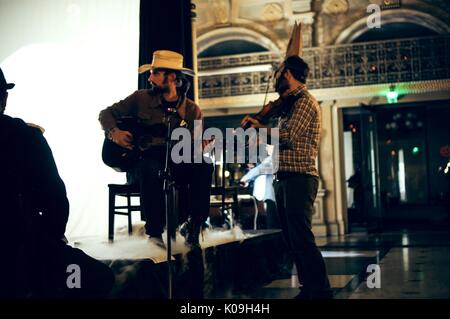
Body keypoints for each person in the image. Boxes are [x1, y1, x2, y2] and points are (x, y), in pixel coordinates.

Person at [0, 67, 115, 298]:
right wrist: (50, 238)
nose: (154, 78)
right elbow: (55, 199)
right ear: (4, 97)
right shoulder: (25, 136)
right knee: (96, 278)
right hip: (21, 245)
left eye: (161, 73)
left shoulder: (191, 112)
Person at [99, 50, 212, 247]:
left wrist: (199, 147)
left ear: (172, 77)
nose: (149, 78)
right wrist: (114, 133)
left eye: (155, 73)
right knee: (150, 167)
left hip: (175, 166)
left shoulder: (192, 110)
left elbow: (193, 150)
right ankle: (155, 233)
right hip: (141, 164)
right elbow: (106, 113)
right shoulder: (140, 98)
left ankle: (194, 224)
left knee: (203, 165)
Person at [240, 55, 332, 299]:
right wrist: (260, 132)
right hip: (285, 178)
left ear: (288, 74)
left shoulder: (304, 102)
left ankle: (320, 290)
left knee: (302, 238)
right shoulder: (289, 104)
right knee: (293, 240)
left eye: (279, 73)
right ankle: (309, 287)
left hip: (300, 178)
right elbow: (280, 138)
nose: (276, 78)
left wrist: (260, 127)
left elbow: (289, 135)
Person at [240, 146, 279, 229]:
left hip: (274, 198)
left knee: (273, 226)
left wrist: (245, 179)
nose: (266, 148)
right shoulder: (271, 159)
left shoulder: (273, 159)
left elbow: (260, 170)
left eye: (268, 146)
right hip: (273, 197)